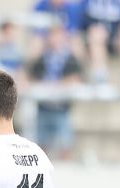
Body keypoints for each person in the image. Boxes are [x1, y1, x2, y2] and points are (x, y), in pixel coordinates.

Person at [29, 25, 83, 160]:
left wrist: (55, 85)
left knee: (65, 145)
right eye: (52, 36)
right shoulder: (42, 58)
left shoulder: (69, 58)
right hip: (44, 108)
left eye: (58, 36)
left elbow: (75, 78)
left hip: (61, 108)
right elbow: (32, 78)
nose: (55, 40)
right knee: (41, 148)